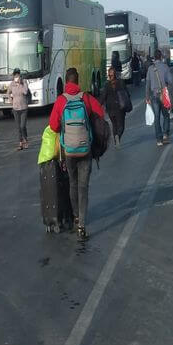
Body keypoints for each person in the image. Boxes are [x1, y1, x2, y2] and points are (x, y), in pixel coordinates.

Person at [49, 67, 105, 239]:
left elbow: (53, 126)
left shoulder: (60, 101)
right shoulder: (86, 98)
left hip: (69, 151)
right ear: (78, 81)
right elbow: (100, 115)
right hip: (85, 149)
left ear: (66, 82)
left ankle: (75, 216)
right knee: (83, 187)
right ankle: (82, 225)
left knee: (73, 184)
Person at [145, 50, 173, 147]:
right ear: (161, 57)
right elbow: (170, 80)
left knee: (156, 118)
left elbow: (147, 84)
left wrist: (147, 97)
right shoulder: (165, 67)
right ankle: (165, 135)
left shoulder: (150, 69)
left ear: (154, 57)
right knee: (166, 115)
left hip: (154, 96)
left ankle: (159, 139)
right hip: (164, 95)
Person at [99, 67, 128, 148]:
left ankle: (116, 142)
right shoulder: (121, 82)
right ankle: (118, 136)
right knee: (121, 126)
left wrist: (98, 105)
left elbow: (103, 97)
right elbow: (126, 94)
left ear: (108, 75)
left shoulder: (107, 85)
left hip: (110, 108)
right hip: (119, 108)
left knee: (114, 125)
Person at [8, 68, 30, 150]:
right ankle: (20, 143)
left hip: (24, 108)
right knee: (18, 127)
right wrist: (11, 101)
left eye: (18, 75)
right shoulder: (12, 84)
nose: (16, 76)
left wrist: (21, 83)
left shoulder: (24, 82)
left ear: (20, 75)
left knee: (22, 126)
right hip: (15, 108)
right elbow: (8, 92)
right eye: (15, 75)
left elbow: (25, 92)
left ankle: (26, 140)